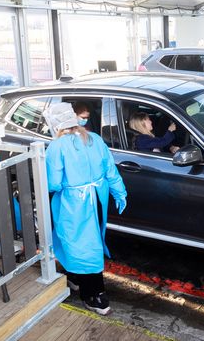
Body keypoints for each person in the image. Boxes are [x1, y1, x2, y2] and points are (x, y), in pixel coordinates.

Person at [43, 102, 127, 316]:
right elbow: (110, 170)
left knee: (79, 244)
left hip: (74, 203)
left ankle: (95, 294)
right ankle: (75, 277)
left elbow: (53, 183)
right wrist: (120, 192)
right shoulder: (95, 139)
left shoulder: (57, 147)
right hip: (98, 198)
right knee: (90, 242)